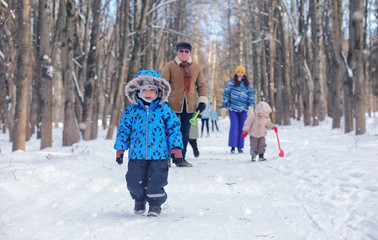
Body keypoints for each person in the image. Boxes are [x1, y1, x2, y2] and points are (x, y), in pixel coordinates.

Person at [114, 70, 183, 217]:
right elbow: (124, 130)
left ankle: (155, 205)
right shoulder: (131, 111)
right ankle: (139, 200)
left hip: (159, 155)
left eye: (152, 89)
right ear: (137, 92)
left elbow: (174, 128)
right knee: (134, 182)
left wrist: (176, 148)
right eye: (144, 89)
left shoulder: (164, 109)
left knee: (156, 182)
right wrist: (120, 149)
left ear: (158, 92)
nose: (148, 93)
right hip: (137, 154)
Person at [161, 42, 208, 167]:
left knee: (185, 133)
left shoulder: (196, 67)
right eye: (181, 51)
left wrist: (202, 102)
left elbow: (202, 86)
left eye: (186, 51)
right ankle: (167, 158)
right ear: (177, 53)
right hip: (172, 105)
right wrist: (164, 102)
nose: (184, 53)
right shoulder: (170, 66)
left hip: (190, 105)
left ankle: (180, 158)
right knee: (170, 131)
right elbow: (162, 85)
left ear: (190, 53)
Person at [221, 66, 255, 154]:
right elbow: (226, 95)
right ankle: (233, 146)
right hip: (233, 109)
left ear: (244, 73)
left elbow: (251, 96)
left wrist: (251, 106)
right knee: (234, 126)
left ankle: (240, 146)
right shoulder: (231, 83)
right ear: (236, 73)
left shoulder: (247, 84)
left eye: (242, 72)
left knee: (242, 128)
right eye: (238, 72)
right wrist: (224, 107)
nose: (240, 74)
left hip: (244, 109)